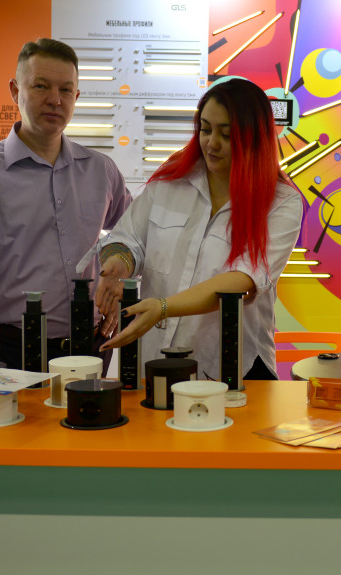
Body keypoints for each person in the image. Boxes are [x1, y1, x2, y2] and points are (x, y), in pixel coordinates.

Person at [0, 38, 131, 380]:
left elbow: (135, 238)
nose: (55, 99)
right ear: (15, 91)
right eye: (41, 86)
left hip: (90, 347)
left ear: (76, 97)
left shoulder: (101, 171)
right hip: (10, 352)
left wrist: (123, 284)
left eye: (66, 89)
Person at [95, 78, 305, 380]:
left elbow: (242, 280)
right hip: (158, 358)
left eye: (226, 135)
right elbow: (127, 240)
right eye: (205, 130)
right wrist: (118, 264)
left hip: (236, 367)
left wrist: (164, 307)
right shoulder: (171, 182)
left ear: (254, 138)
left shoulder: (281, 202)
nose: (212, 143)